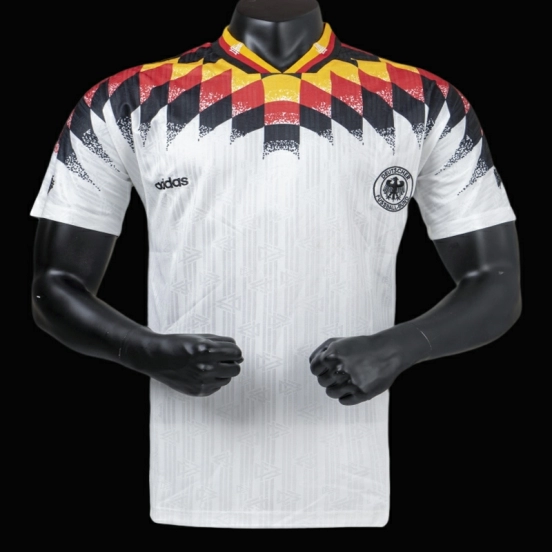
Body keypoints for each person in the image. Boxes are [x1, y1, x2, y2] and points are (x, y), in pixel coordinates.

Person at [30, 0, 521, 528]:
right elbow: (53, 286)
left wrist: (400, 346)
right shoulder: (126, 99)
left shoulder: (424, 100)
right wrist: (143, 350)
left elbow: (496, 284)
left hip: (348, 480)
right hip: (192, 480)